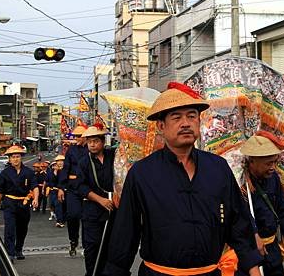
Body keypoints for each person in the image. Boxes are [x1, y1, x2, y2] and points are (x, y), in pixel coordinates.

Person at [103, 82, 262, 276]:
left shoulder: (218, 168)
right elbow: (125, 233)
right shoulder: (142, 173)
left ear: (199, 122)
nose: (185, 123)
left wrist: (254, 269)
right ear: (161, 126)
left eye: (191, 116)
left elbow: (238, 223)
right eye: (176, 117)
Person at [240, 131, 284, 276]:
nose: (273, 167)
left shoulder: (273, 178)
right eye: (268, 163)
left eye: (275, 162)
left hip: (272, 248)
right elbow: (240, 217)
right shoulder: (241, 184)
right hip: (249, 250)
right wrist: (254, 235)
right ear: (253, 161)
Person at [79, 124, 115, 276]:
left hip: (114, 208)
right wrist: (100, 200)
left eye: (95, 141)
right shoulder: (84, 162)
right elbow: (80, 187)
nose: (92, 144)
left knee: (112, 246)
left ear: (103, 141)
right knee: (92, 246)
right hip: (92, 210)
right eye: (89, 142)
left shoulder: (114, 155)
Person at [0, 145, 39, 261]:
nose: (15, 159)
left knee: (22, 228)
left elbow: (35, 187)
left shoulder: (28, 172)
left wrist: (36, 199)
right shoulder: (5, 173)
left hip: (23, 203)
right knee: (10, 228)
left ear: (21, 158)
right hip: (9, 203)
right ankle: (10, 252)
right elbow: (0, 191)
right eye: (13, 157)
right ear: (9, 159)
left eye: (17, 156)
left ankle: (19, 249)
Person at [58, 125, 90, 257]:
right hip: (72, 186)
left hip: (88, 186)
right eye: (75, 136)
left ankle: (87, 245)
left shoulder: (91, 149)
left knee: (87, 218)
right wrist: (61, 187)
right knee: (72, 215)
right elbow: (65, 168)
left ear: (85, 137)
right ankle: (73, 240)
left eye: (79, 136)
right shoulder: (71, 150)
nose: (76, 138)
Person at [48, 155, 66, 227]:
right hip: (55, 191)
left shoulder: (67, 170)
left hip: (66, 191)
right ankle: (59, 221)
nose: (60, 163)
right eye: (58, 161)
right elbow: (50, 182)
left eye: (62, 161)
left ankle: (63, 219)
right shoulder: (52, 172)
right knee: (57, 206)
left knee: (65, 206)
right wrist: (55, 172)